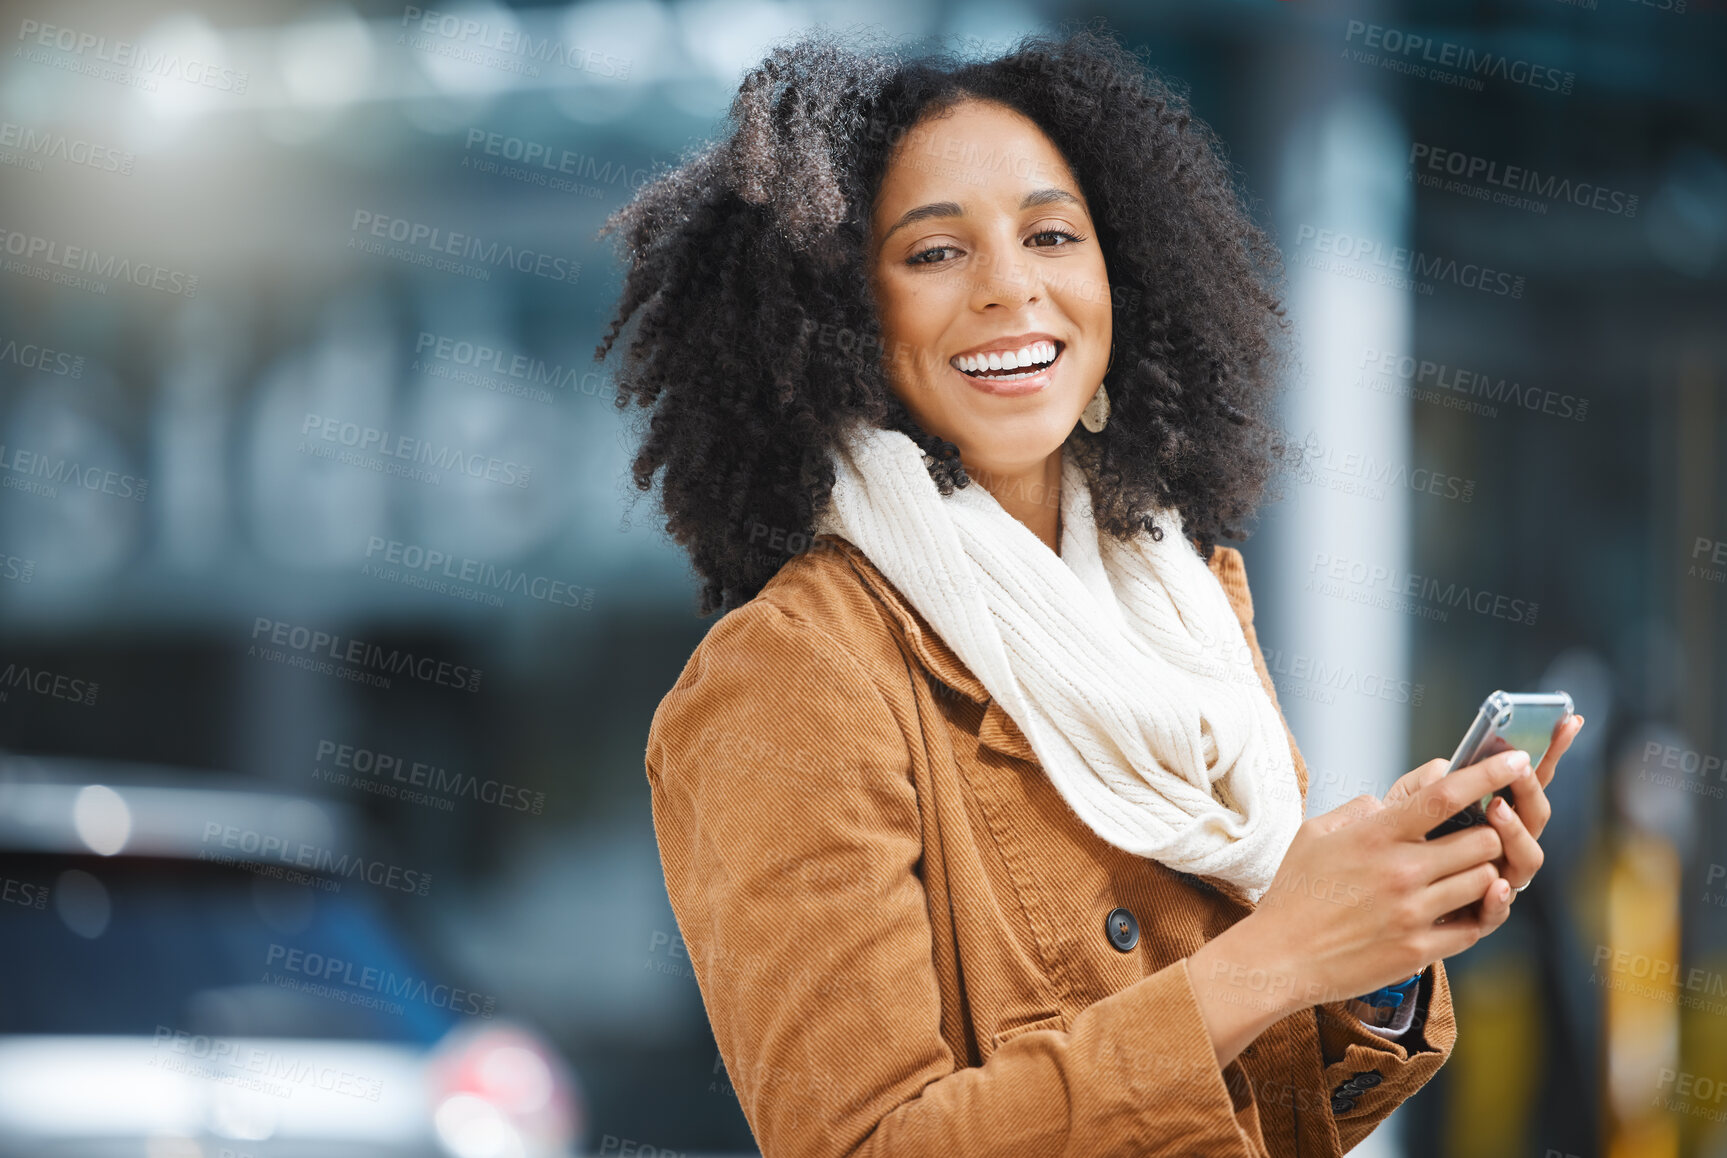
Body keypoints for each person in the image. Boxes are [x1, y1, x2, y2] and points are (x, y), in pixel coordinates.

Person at [596, 27, 1583, 1158]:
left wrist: (1381, 943)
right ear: (836, 319)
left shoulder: (1178, 604)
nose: (1011, 287)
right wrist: (1274, 956)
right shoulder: (791, 675)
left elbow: (1270, 1110)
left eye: (1051, 235)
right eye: (932, 254)